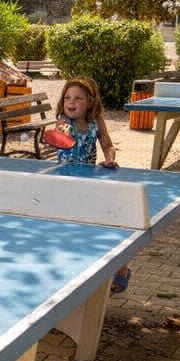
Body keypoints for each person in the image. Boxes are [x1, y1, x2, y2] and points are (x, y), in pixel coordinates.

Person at [52, 76, 131, 294]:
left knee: (106, 226)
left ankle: (122, 268)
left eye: (78, 98)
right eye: (68, 97)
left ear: (90, 101)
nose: (72, 102)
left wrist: (110, 157)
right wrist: (62, 133)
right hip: (65, 185)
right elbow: (60, 132)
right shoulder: (63, 121)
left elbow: (107, 143)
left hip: (91, 184)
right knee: (68, 229)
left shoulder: (96, 121)